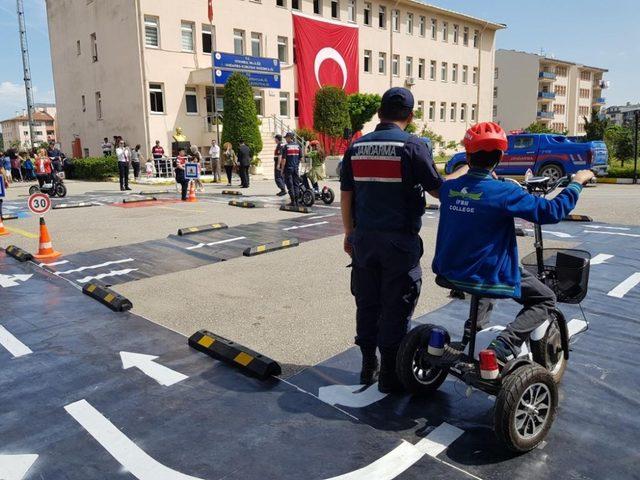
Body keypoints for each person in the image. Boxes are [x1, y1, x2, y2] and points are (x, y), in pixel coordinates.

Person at [432, 122, 594, 364]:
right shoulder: (505, 192)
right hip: (486, 274)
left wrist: (470, 170)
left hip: (450, 270)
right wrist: (576, 183)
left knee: (482, 278)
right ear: (500, 157)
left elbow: (449, 182)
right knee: (545, 298)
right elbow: (551, 211)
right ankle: (504, 344)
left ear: (467, 155)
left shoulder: (449, 189)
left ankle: (470, 336)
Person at [340, 87, 468, 393]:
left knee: (367, 303)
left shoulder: (356, 147)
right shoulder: (413, 146)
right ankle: (388, 377)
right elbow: (438, 190)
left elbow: (346, 195)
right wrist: (461, 172)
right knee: (396, 306)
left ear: (380, 113)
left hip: (364, 241)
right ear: (409, 116)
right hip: (399, 243)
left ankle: (368, 362)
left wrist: (349, 234)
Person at [280, 132, 302, 205]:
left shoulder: (286, 147)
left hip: (288, 168)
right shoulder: (298, 146)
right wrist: (297, 164)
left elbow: (284, 160)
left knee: (290, 185)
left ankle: (293, 201)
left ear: (290, 137)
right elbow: (301, 158)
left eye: (286, 137)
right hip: (296, 168)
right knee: (296, 184)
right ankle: (297, 200)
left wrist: (282, 169)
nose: (285, 139)